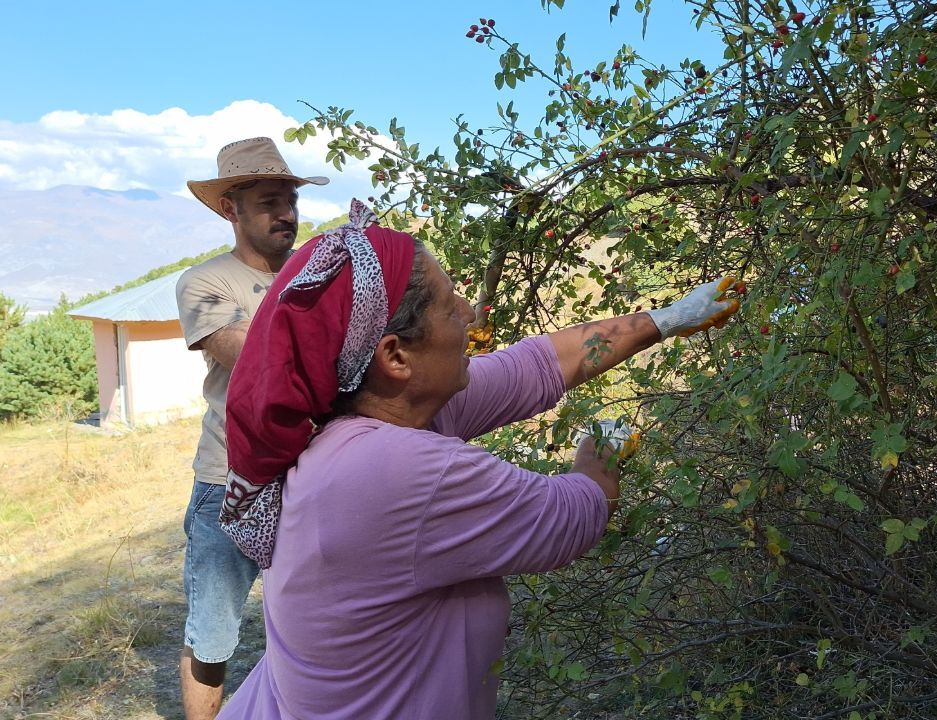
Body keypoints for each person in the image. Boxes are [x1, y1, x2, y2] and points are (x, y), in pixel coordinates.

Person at [215, 199, 739, 718]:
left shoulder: (370, 414)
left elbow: (537, 366)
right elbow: (571, 517)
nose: (469, 313)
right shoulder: (393, 469)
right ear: (395, 356)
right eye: (449, 306)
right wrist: (598, 451)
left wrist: (670, 318)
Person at [175, 137, 329, 720]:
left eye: (290, 199)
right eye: (269, 201)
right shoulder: (205, 282)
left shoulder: (318, 273)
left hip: (313, 474)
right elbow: (247, 355)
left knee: (312, 622)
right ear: (229, 209)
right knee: (213, 636)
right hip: (229, 482)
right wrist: (332, 327)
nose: (287, 213)